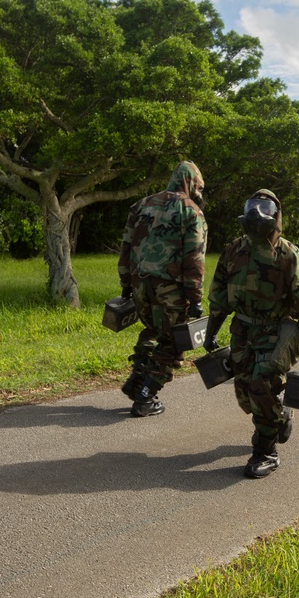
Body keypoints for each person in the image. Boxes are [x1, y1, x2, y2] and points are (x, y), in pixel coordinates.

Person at [203, 189, 299, 479]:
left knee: (261, 386)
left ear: (276, 216)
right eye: (252, 206)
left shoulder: (290, 255)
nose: (256, 213)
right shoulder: (234, 250)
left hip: (278, 330)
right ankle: (279, 418)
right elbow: (219, 294)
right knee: (245, 394)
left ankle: (265, 451)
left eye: (264, 207)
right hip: (243, 329)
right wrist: (211, 332)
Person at [117, 160, 207, 417]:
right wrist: (195, 298)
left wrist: (125, 283)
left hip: (140, 284)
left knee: (153, 330)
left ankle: (138, 376)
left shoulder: (141, 205)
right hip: (171, 289)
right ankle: (146, 397)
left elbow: (126, 247)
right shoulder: (191, 212)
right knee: (174, 342)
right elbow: (194, 259)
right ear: (191, 183)